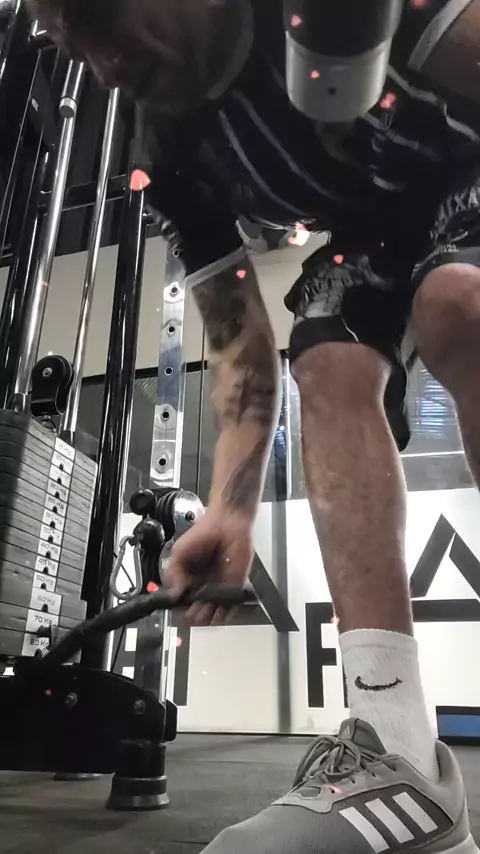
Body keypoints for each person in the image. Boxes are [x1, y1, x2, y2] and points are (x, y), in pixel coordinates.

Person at [28, 0, 480, 851]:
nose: (104, 63)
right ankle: (402, 754)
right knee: (327, 359)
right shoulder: (166, 146)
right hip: (377, 233)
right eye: (71, 43)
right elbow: (240, 350)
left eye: (99, 16)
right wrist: (230, 510)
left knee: (459, 302)